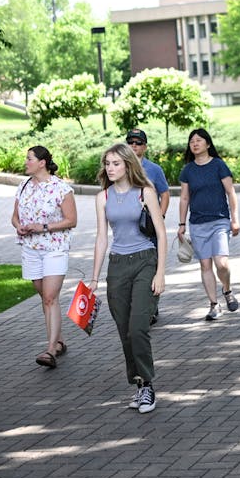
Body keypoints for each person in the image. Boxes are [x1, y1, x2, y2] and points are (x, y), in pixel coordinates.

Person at [90, 142, 167, 413]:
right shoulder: (103, 197)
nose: (110, 169)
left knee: (138, 328)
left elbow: (160, 233)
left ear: (127, 164)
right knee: (124, 332)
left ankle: (147, 384)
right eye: (107, 164)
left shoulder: (145, 192)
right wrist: (94, 278)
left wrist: (160, 273)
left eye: (115, 164)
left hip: (145, 261)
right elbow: (101, 239)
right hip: (117, 266)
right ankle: (138, 383)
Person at [11, 144, 78, 368]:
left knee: (50, 296)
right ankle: (59, 340)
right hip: (30, 248)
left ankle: (50, 350)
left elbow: (71, 220)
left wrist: (44, 227)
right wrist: (19, 226)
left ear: (42, 163)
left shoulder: (60, 188)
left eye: (29, 158)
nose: (26, 162)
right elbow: (15, 217)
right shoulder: (23, 186)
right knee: (45, 297)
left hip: (54, 247)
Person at [175, 127, 240, 321]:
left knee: (221, 263)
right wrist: (181, 224)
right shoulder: (188, 170)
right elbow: (184, 198)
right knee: (205, 264)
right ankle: (214, 304)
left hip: (220, 220)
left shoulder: (219, 165)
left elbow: (231, 192)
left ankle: (227, 290)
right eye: (191, 141)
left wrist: (235, 219)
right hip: (197, 223)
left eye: (199, 140)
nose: (194, 143)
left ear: (208, 144)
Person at [126, 128, 170, 324]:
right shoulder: (119, 168)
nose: (134, 146)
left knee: (150, 268)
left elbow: (165, 194)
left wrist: (158, 217)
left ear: (145, 146)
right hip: (127, 229)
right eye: (131, 142)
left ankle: (150, 309)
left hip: (148, 228)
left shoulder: (154, 170)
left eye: (138, 143)